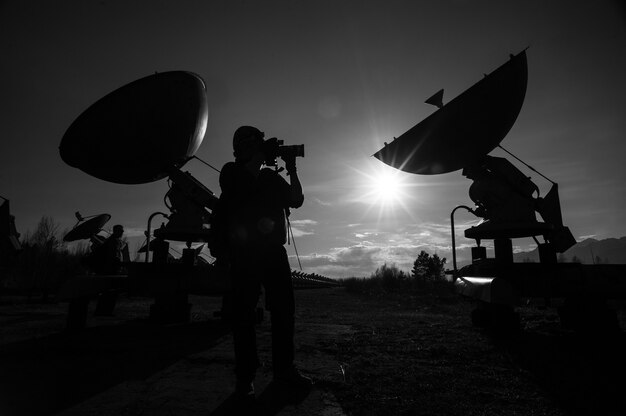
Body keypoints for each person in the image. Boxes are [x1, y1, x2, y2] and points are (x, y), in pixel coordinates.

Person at [214, 125, 311, 399]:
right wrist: (260, 156)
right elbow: (242, 186)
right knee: (243, 315)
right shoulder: (231, 172)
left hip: (272, 252)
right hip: (245, 252)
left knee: (283, 311)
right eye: (255, 144)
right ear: (243, 148)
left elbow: (296, 199)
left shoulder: (270, 177)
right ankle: (245, 378)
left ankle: (284, 370)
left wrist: (292, 170)